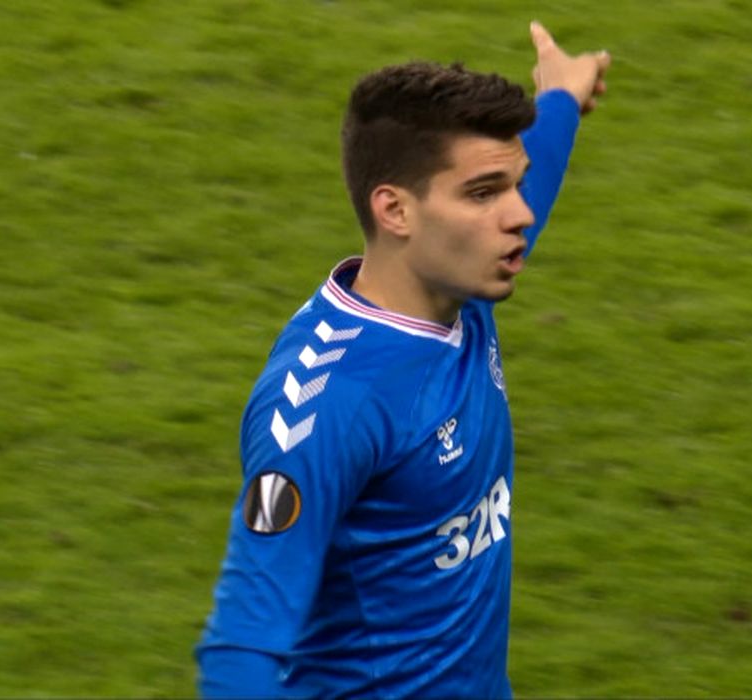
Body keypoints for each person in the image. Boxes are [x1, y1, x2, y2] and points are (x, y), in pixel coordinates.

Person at [196, 21, 610, 698]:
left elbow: (525, 186)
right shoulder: (323, 406)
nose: (519, 217)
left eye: (515, 186)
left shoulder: (458, 283)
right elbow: (241, 646)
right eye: (483, 193)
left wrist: (561, 96)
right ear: (395, 211)